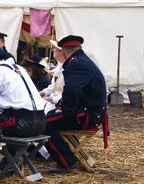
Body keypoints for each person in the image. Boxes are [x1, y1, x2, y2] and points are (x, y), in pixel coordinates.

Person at [44, 35, 108, 174]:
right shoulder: (82, 61)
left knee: (43, 124)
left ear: (65, 50)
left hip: (86, 116)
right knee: (49, 117)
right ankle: (67, 159)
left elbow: (72, 91)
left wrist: (65, 112)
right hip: (91, 113)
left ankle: (66, 162)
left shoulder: (76, 63)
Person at [40, 40, 66, 115]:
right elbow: (53, 87)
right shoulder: (59, 66)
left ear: (61, 51)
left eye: (55, 48)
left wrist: (52, 99)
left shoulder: (69, 68)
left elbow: (68, 92)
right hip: (51, 104)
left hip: (59, 108)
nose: (53, 50)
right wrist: (43, 92)